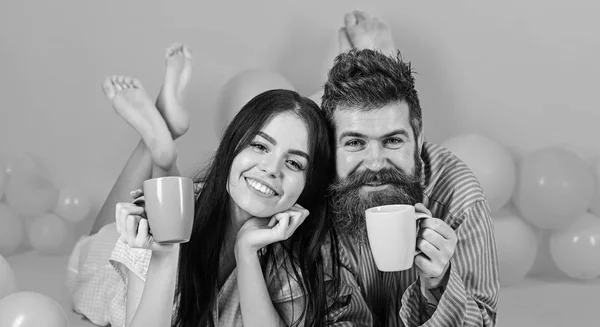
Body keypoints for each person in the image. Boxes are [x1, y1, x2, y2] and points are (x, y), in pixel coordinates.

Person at [66, 44, 350, 327]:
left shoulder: (288, 242)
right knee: (93, 244)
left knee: (172, 200)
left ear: (307, 186)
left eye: (294, 163)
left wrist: (247, 250)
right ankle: (160, 151)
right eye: (260, 146)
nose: (271, 169)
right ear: (231, 148)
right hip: (109, 261)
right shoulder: (151, 224)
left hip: (184, 204)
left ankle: (161, 150)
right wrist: (164, 254)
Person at [321, 11, 500, 327]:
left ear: (419, 143)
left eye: (392, 140)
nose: (375, 163)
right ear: (331, 147)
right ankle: (372, 56)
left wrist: (438, 284)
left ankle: (374, 56)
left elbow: (483, 321)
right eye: (354, 143)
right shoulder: (308, 192)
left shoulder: (460, 197)